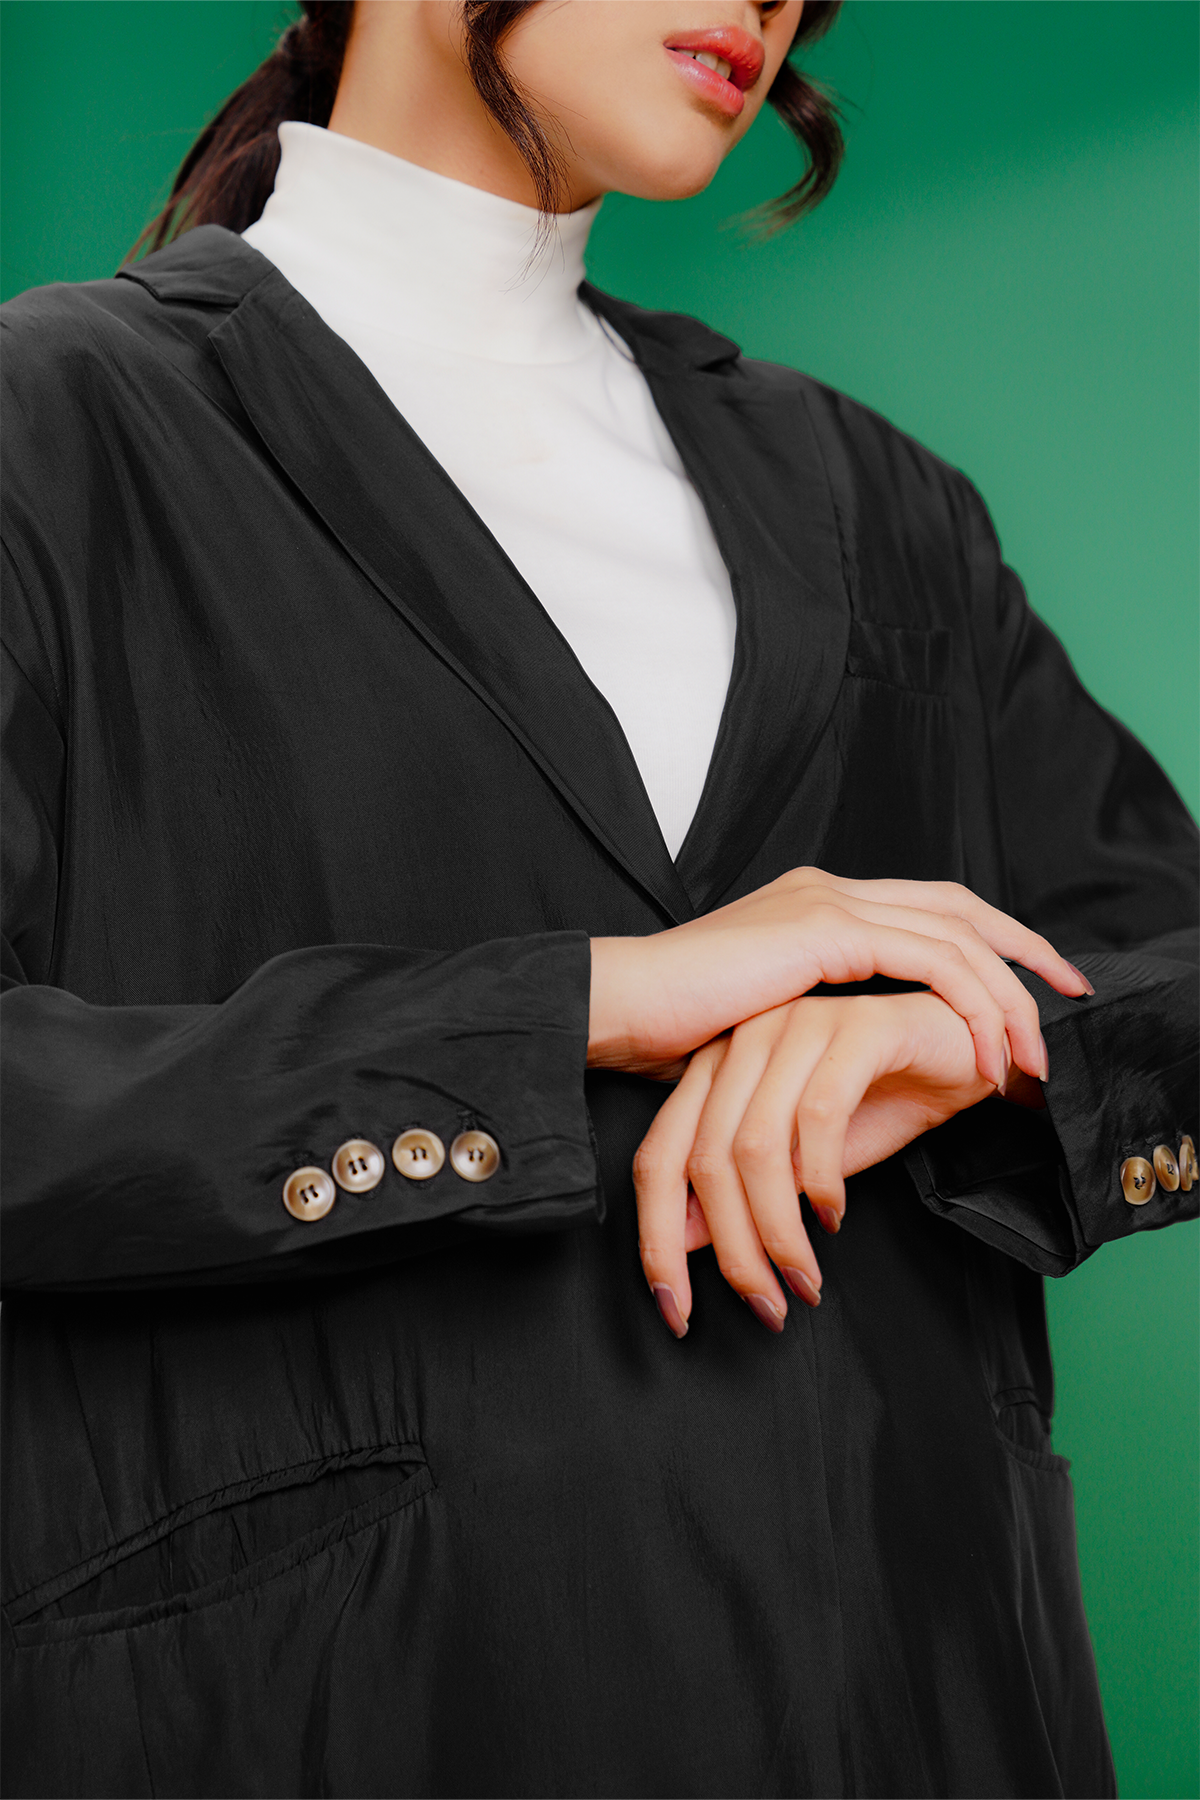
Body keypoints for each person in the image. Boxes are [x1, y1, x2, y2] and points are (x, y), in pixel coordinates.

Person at [0, 0, 1197, 1793]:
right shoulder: (53, 422)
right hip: (351, 1713)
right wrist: (577, 1007)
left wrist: (982, 1044)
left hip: (924, 1707)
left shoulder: (880, 501)